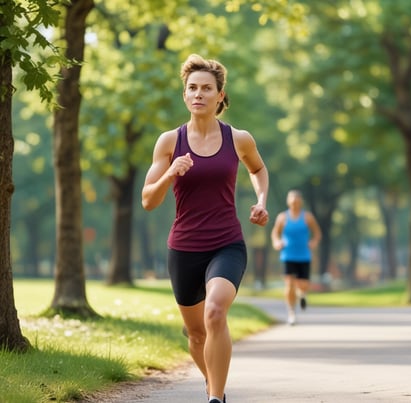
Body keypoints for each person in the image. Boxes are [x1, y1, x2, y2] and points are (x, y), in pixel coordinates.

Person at [141, 54, 269, 403]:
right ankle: (218, 390)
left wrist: (261, 200)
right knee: (196, 335)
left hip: (227, 243)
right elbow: (148, 201)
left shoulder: (238, 138)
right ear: (185, 95)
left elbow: (258, 169)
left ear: (220, 96)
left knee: (215, 312)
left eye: (206, 88)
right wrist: (171, 172)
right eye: (192, 88)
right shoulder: (169, 142)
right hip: (183, 248)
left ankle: (215, 398)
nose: (198, 94)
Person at [271, 189, 321, 325]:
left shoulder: (307, 217)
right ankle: (291, 312)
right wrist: (276, 242)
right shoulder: (282, 217)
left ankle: (302, 295)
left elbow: (317, 233)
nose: (294, 203)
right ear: (288, 202)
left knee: (303, 285)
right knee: (289, 284)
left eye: (296, 200)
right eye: (292, 200)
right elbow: (275, 233)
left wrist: (314, 241)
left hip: (304, 255)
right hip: (288, 255)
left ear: (300, 202)